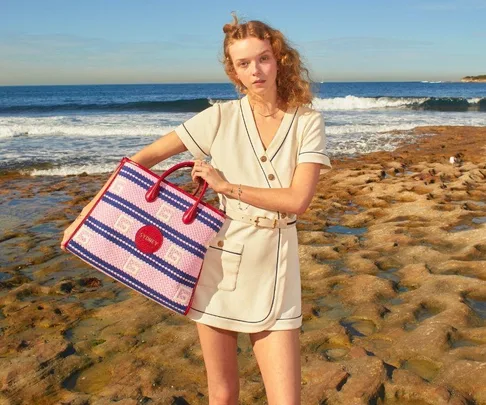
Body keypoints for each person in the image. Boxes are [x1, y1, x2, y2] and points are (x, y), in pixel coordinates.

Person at [61, 14, 331, 405]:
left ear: (280, 60)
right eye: (244, 64)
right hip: (220, 262)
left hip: (277, 260)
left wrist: (225, 186)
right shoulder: (219, 117)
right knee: (221, 395)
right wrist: (88, 213)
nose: (256, 71)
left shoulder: (307, 122)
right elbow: (140, 161)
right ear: (233, 72)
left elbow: (297, 201)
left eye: (263, 58)